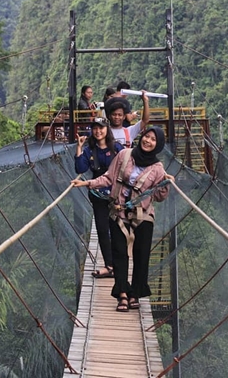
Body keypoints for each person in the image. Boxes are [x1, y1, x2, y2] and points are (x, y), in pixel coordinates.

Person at [71, 127, 174, 312]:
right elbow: (109, 178)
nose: (148, 141)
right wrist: (87, 183)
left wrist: (166, 184)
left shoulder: (158, 169)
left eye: (153, 139)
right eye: (146, 137)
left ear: (158, 145)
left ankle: (135, 292)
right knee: (119, 252)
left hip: (142, 214)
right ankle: (123, 294)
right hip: (118, 210)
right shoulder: (125, 155)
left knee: (142, 254)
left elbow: (158, 197)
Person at [74, 117, 124, 278]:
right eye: (95, 128)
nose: (98, 131)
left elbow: (129, 163)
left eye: (101, 128)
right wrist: (79, 147)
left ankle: (119, 263)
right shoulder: (89, 150)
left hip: (116, 194)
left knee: (117, 229)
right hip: (97, 194)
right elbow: (80, 168)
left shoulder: (116, 148)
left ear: (107, 129)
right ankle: (110, 266)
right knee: (103, 229)